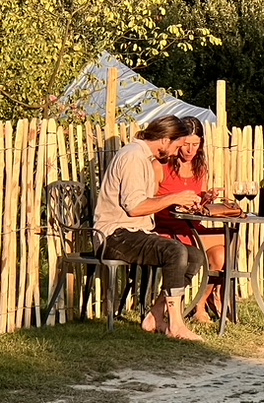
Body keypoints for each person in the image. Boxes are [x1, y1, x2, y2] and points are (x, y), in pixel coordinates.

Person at [93, 114, 205, 341]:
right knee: (175, 251)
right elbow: (134, 208)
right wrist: (174, 198)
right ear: (165, 140)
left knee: (194, 255)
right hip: (114, 236)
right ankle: (176, 325)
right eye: (177, 146)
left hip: (134, 232)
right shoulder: (133, 157)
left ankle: (155, 315)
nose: (176, 152)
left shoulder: (142, 157)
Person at [153, 116, 226, 323]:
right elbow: (148, 202)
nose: (190, 150)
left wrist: (206, 199)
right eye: (186, 144)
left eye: (196, 144)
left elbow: (197, 199)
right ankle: (207, 302)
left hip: (192, 226)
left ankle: (200, 304)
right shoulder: (162, 166)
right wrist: (174, 203)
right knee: (227, 241)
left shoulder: (200, 167)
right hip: (166, 226)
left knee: (222, 254)